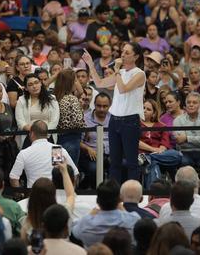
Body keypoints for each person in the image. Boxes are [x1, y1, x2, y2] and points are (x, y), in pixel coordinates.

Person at [82, 42, 145, 184]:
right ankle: (113, 194)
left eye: (127, 52)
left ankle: (132, 194)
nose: (122, 54)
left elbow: (123, 88)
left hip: (130, 120)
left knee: (131, 161)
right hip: (114, 119)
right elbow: (99, 83)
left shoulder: (139, 74)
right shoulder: (121, 73)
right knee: (114, 161)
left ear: (136, 56)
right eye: (122, 51)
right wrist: (91, 64)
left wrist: (116, 70)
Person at [9, 120, 78, 188]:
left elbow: (13, 178)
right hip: (55, 196)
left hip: (33, 196)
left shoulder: (25, 153)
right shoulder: (56, 150)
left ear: (31, 134)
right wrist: (70, 193)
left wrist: (20, 194)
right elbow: (75, 174)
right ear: (47, 134)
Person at [72, 179, 140, 248]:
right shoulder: (133, 219)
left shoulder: (86, 222)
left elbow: (74, 232)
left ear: (97, 201)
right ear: (120, 199)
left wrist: (90, 214)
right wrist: (123, 210)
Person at [15, 73, 60, 147]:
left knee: (53, 158)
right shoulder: (21, 100)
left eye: (36, 82)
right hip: (29, 136)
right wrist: (34, 133)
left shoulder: (52, 99)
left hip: (48, 136)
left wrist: (43, 134)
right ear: (26, 88)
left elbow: (55, 120)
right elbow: (20, 122)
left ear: (41, 84)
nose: (34, 86)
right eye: (30, 84)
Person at [80, 92, 111, 189]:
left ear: (109, 106)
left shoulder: (114, 119)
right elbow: (78, 141)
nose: (101, 109)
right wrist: (87, 148)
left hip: (110, 154)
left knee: (123, 165)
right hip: (91, 155)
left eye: (105, 106)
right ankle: (95, 193)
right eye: (99, 106)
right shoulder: (84, 119)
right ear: (94, 104)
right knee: (94, 169)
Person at [174, 92, 200, 168]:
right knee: (184, 162)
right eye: (189, 102)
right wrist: (199, 139)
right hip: (185, 152)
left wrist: (187, 138)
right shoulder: (178, 120)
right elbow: (179, 140)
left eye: (194, 103)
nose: (191, 105)